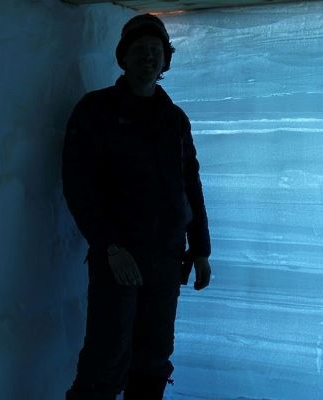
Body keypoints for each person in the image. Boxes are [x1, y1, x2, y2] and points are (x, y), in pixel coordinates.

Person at [62, 13, 212, 400]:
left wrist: (200, 249)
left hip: (166, 258)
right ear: (123, 58)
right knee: (106, 358)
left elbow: (190, 184)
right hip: (120, 257)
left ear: (165, 61)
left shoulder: (174, 120)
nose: (148, 56)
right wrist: (109, 245)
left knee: (153, 359)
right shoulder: (96, 111)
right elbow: (79, 186)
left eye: (156, 50)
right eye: (139, 49)